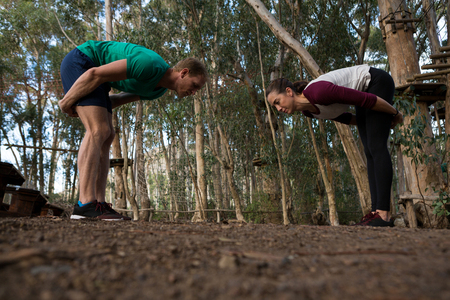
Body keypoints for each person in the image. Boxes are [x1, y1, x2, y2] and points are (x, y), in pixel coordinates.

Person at [59, 40, 207, 221]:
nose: (194, 92)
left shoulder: (157, 91)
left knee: (108, 134)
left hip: (98, 79)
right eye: (195, 86)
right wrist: (66, 102)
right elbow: (94, 74)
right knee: (98, 130)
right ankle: (84, 204)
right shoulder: (149, 65)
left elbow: (117, 99)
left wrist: (94, 106)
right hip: (83, 61)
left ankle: (99, 203)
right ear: (184, 73)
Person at [266, 65, 403, 227]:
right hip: (365, 92)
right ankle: (375, 213)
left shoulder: (318, 92)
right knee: (369, 151)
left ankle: (383, 214)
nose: (278, 108)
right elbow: (346, 118)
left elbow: (367, 100)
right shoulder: (308, 111)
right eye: (274, 107)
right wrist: (372, 122)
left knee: (376, 146)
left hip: (375, 81)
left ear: (289, 92)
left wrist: (394, 114)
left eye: (277, 102)